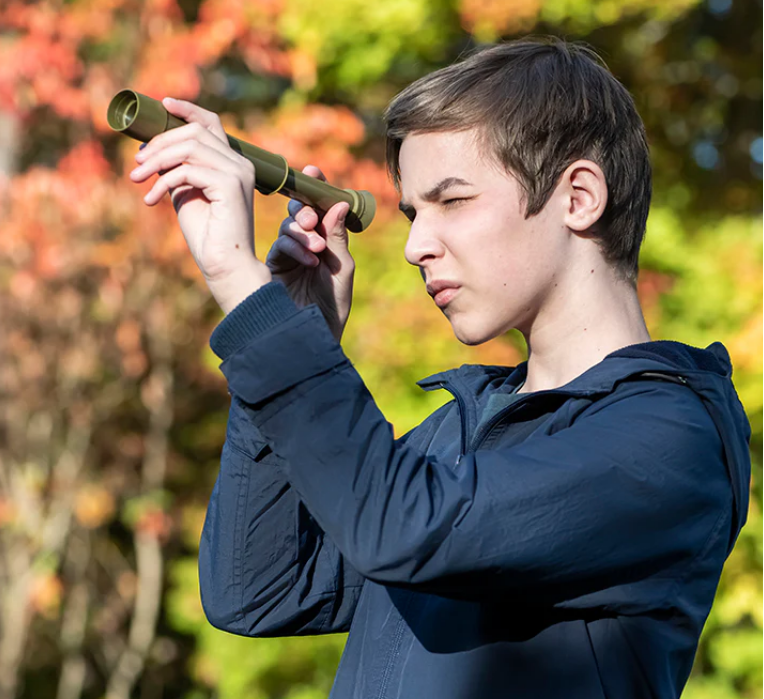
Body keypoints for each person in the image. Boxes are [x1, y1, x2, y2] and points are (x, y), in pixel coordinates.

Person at [129, 38, 751, 698]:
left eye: (451, 201)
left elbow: (404, 526)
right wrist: (297, 324)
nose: (416, 246)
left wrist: (245, 288)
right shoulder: (456, 436)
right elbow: (256, 590)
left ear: (578, 198)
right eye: (411, 213)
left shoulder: (668, 439)